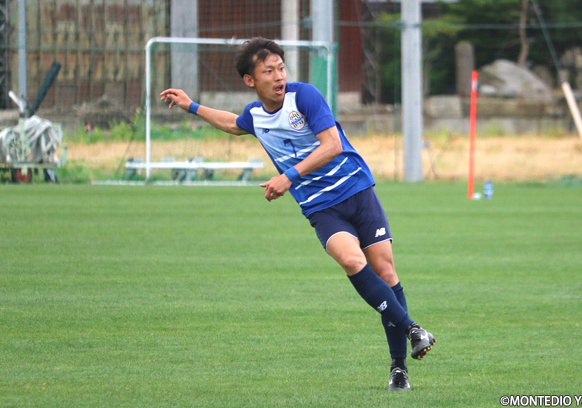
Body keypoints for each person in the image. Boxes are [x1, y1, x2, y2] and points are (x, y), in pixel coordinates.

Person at [160, 37, 435, 391]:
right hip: (321, 207)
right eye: (268, 71)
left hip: (357, 190)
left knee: (386, 273)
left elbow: (332, 144)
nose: (279, 76)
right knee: (352, 261)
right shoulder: (255, 116)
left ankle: (399, 367)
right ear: (250, 80)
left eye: (281, 68)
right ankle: (413, 329)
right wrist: (191, 106)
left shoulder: (304, 96)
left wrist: (288, 176)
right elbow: (233, 123)